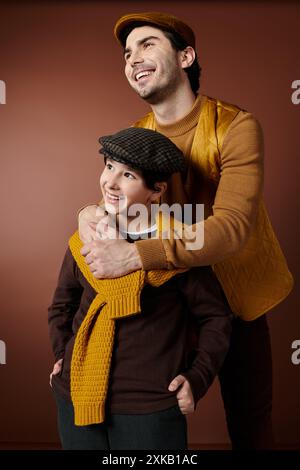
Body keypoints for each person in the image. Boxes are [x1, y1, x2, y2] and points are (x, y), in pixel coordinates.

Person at [77, 12, 294, 449]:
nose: (133, 58)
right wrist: (89, 212)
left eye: (147, 44)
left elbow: (230, 230)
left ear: (186, 56)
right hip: (166, 300)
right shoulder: (136, 135)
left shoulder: (237, 127)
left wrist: (138, 255)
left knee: (252, 427)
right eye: (127, 52)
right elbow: (116, 207)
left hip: (237, 301)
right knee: (145, 422)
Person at [48, 127, 233, 450]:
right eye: (109, 167)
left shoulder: (178, 249)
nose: (110, 182)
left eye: (128, 175)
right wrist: (63, 354)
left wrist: (197, 377)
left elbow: (216, 318)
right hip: (77, 392)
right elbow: (62, 305)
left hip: (149, 408)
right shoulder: (85, 238)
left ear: (156, 190)